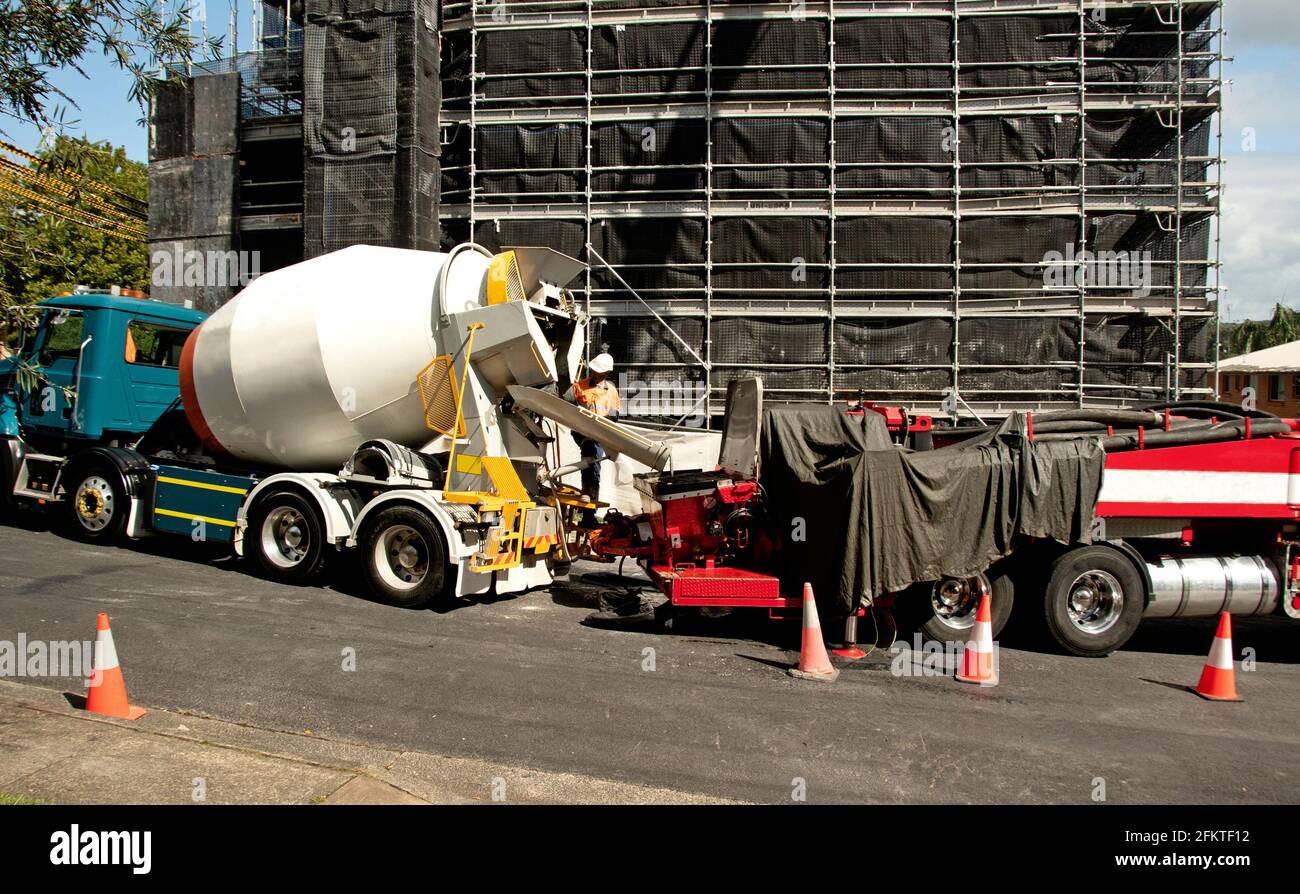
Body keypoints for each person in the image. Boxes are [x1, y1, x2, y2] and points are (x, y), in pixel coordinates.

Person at [570, 352, 621, 525]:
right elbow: (566, 405)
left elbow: (614, 416)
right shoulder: (579, 386)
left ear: (606, 373)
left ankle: (588, 512)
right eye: (594, 371)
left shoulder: (611, 390)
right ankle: (588, 507)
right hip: (582, 433)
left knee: (592, 465)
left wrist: (600, 423)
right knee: (590, 454)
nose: (596, 374)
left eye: (600, 372)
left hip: (600, 433)